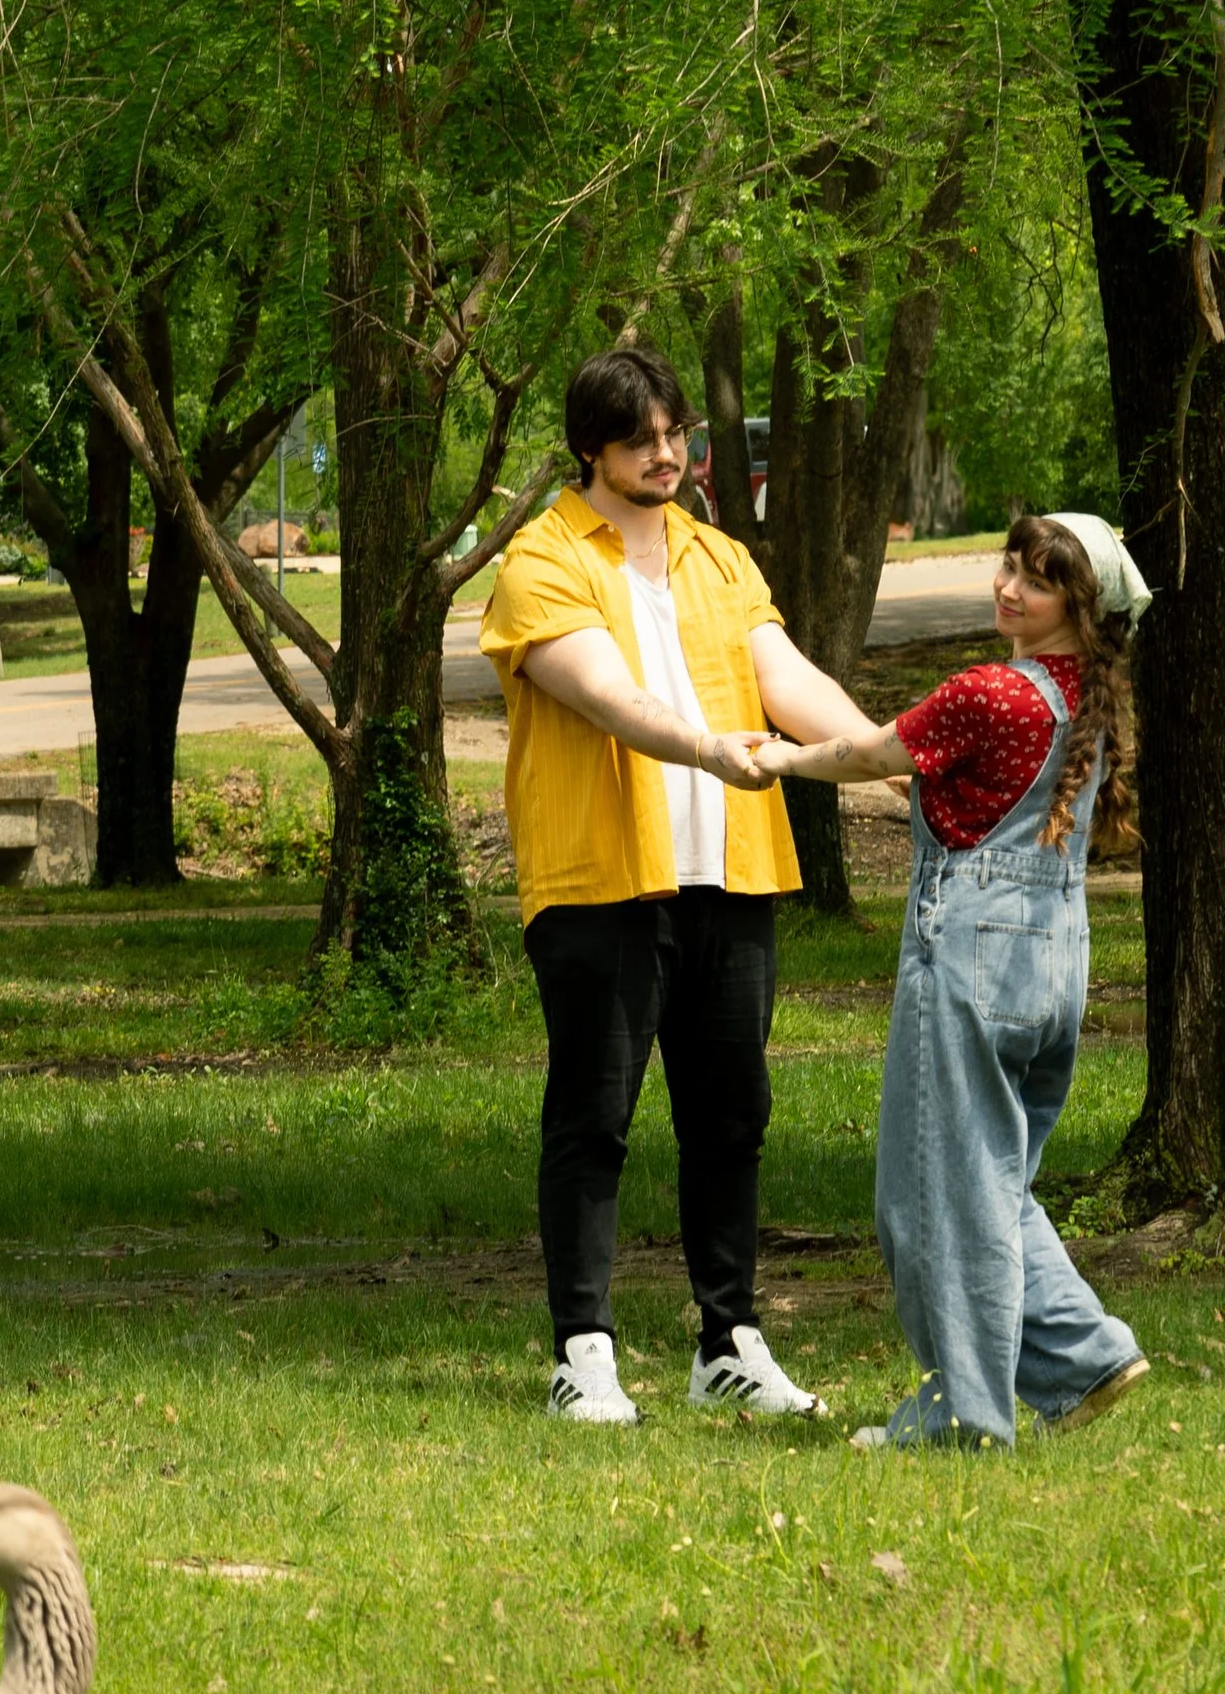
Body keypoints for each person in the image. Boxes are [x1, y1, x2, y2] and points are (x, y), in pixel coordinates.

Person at [479, 345, 874, 1426]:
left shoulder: (717, 556)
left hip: (731, 872)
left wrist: (891, 755)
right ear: (591, 450)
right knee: (595, 1117)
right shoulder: (543, 559)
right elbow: (601, 695)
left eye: (676, 435)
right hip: (603, 880)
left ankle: (728, 1339)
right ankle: (582, 1353)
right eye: (640, 440)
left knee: (731, 1112)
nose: (667, 456)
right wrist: (706, 749)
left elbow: (784, 678)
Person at [763, 511, 1153, 1450]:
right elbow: (964, 786)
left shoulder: (992, 694)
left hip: (973, 957)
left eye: (1040, 579)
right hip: (1054, 960)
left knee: (932, 1195)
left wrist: (778, 758)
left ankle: (965, 1418)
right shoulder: (1087, 704)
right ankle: (1086, 1356)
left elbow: (867, 753)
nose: (1010, 587)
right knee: (990, 1183)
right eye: (1009, 566)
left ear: (1081, 604)